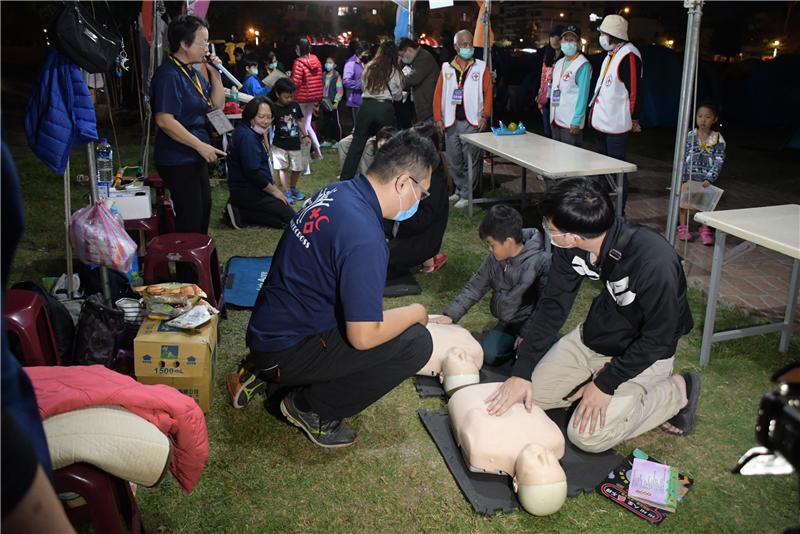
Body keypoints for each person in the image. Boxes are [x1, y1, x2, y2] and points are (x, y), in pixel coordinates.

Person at [227, 130, 440, 449]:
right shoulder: (366, 237)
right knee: (416, 342)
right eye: (421, 194)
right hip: (286, 348)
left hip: (268, 330)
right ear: (403, 184)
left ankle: (265, 371)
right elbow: (363, 336)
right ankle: (309, 407)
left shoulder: (338, 191)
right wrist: (416, 312)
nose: (418, 204)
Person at [485, 178, 701, 454]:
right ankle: (590, 387)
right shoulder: (569, 247)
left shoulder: (655, 263)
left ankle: (676, 391)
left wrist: (605, 383)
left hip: (644, 356)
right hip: (593, 339)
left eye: (549, 228)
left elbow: (659, 338)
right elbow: (553, 305)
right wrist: (521, 371)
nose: (546, 232)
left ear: (573, 236)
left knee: (587, 437)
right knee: (527, 399)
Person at [431, 205, 549, 366]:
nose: (490, 249)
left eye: (492, 244)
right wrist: (451, 315)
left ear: (508, 241)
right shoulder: (494, 260)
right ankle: (514, 345)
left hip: (532, 324)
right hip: (507, 323)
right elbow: (474, 288)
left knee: (530, 360)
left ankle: (543, 343)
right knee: (490, 356)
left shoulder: (540, 262)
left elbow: (545, 305)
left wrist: (527, 333)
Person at [151, 15, 226, 235]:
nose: (206, 48)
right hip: (177, 157)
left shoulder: (192, 73)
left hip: (195, 155)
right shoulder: (169, 75)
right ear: (184, 44)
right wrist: (200, 146)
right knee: (191, 217)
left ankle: (199, 265)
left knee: (203, 211)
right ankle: (188, 268)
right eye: (202, 43)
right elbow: (164, 120)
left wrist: (215, 74)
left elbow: (216, 106)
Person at [588, 14, 642, 216]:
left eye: (602, 33)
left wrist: (634, 117)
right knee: (603, 169)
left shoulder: (629, 55)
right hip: (602, 121)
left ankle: (619, 211)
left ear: (612, 35)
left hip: (617, 124)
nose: (600, 36)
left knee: (617, 170)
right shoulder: (611, 54)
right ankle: (602, 208)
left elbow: (635, 90)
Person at [433, 29, 493, 209]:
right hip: (451, 122)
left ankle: (468, 194)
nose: (468, 47)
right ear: (456, 46)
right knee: (454, 160)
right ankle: (459, 190)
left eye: (470, 44)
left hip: (472, 121)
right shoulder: (446, 68)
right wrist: (438, 118)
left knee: (471, 160)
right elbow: (437, 95)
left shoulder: (481, 67)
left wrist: (485, 115)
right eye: (464, 44)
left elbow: (489, 93)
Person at [384, 122, 450, 282]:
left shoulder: (434, 182)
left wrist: (396, 209)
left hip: (419, 241)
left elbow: (421, 221)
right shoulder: (412, 172)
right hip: (402, 235)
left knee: (378, 261)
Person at [224, 97, 295, 229]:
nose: (266, 121)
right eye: (261, 117)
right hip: (251, 192)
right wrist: (275, 191)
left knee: (286, 213)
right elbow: (252, 172)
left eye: (269, 117)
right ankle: (240, 212)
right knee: (290, 219)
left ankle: (239, 209)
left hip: (247, 190)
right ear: (250, 116)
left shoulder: (245, 130)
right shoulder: (247, 137)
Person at [340, 40, 403, 181]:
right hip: (384, 108)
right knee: (386, 144)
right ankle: (385, 178)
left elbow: (363, 86)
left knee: (357, 145)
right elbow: (397, 95)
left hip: (366, 107)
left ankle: (346, 178)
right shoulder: (394, 71)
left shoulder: (368, 67)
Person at [677, 102, 726, 245]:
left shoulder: (717, 138)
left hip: (705, 180)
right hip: (688, 177)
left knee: (705, 205)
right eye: (700, 116)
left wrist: (710, 178)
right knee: (684, 205)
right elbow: (682, 155)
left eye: (707, 117)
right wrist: (682, 175)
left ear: (714, 119)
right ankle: (683, 228)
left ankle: (705, 229)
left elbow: (719, 160)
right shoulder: (690, 135)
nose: (703, 120)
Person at [549, 26, 592, 147]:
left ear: (578, 44)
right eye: (565, 39)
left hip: (570, 123)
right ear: (561, 42)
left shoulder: (583, 65)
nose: (567, 43)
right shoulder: (559, 63)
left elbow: (583, 95)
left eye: (571, 40)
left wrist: (577, 120)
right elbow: (556, 89)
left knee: (570, 160)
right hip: (556, 119)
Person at [270, 78, 310, 204]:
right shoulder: (273, 108)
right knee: (283, 169)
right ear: (277, 94)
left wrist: (305, 135)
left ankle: (293, 188)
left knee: (297, 168)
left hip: (295, 144)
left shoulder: (294, 106)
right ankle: (287, 192)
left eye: (291, 96)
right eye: (286, 97)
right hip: (279, 146)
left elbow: (299, 121)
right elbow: (268, 127)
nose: (289, 99)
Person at [291, 38, 324, 160]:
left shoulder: (299, 62)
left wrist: (290, 79)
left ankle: (306, 154)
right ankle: (318, 151)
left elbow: (296, 82)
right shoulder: (316, 60)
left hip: (302, 97)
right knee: (307, 125)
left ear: (299, 48)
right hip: (313, 97)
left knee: (302, 127)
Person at [398, 38, 440, 125]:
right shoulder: (415, 59)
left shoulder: (424, 58)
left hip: (428, 109)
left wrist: (396, 82)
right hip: (421, 107)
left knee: (427, 136)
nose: (402, 59)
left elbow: (411, 80)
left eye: (402, 56)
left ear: (409, 50)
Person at [535, 26, 563, 137]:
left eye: (558, 37)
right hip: (546, 96)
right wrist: (540, 99)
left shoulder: (566, 57)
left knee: (555, 128)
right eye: (552, 37)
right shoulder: (548, 55)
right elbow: (543, 77)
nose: (555, 40)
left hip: (557, 95)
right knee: (547, 131)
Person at [318, 56, 344, 149]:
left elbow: (340, 90)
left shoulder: (336, 76)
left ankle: (338, 140)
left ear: (334, 65)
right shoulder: (323, 75)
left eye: (330, 63)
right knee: (326, 121)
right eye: (326, 62)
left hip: (333, 102)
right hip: (325, 101)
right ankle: (327, 139)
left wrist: (336, 102)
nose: (328, 64)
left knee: (335, 122)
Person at [342, 42, 367, 127]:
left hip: (364, 99)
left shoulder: (363, 62)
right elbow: (346, 81)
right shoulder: (351, 63)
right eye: (365, 53)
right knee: (357, 127)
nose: (367, 55)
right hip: (355, 100)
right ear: (360, 52)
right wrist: (361, 84)